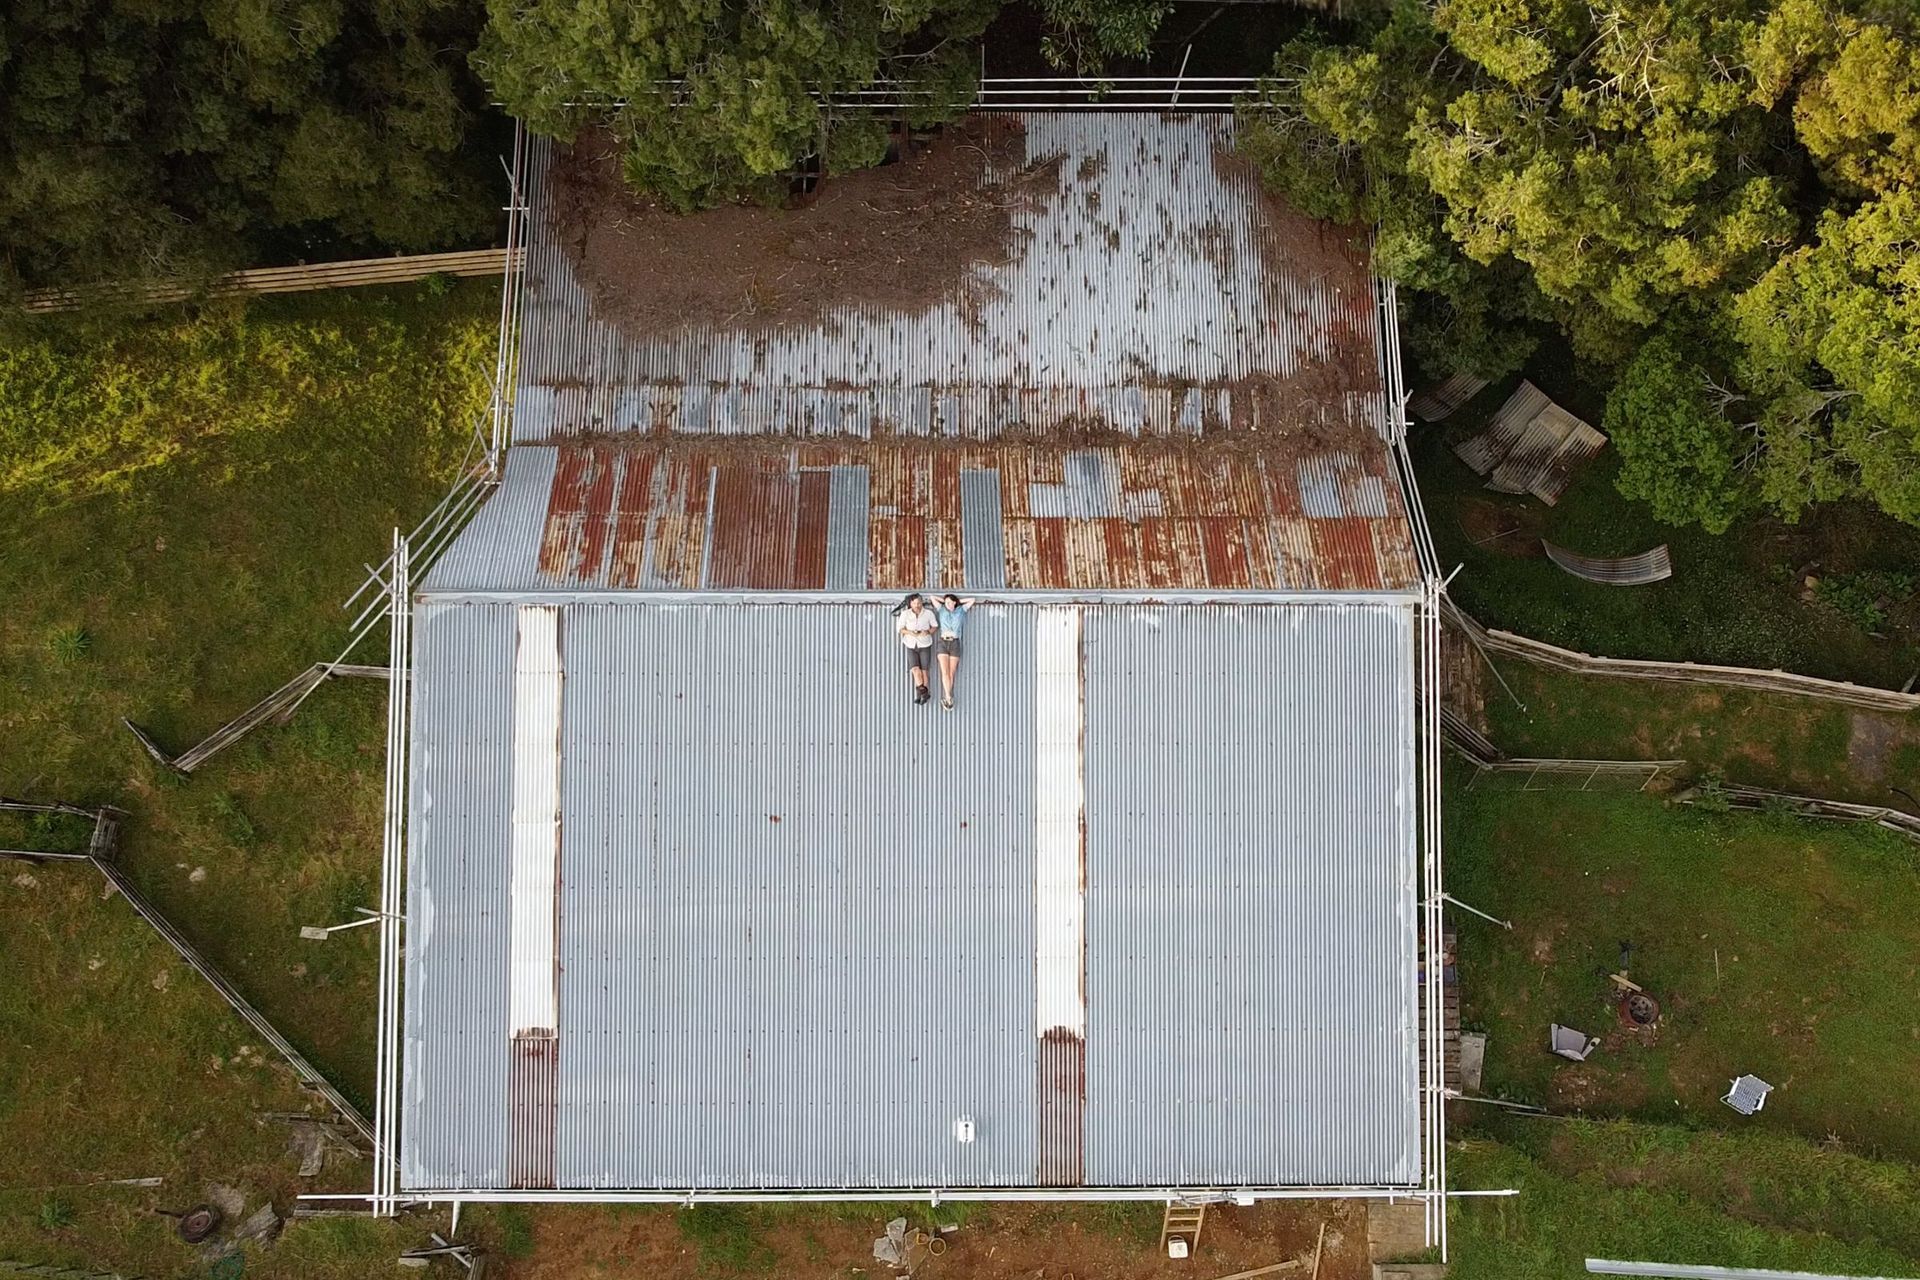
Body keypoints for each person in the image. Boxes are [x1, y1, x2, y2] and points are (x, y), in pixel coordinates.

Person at [932, 593, 976, 710]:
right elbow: (932, 597)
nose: (949, 604)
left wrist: (958, 601)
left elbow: (972, 599)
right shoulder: (941, 610)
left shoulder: (960, 611)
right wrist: (943, 600)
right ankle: (948, 697)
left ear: (955, 603)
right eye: (947, 603)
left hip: (955, 642)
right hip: (943, 642)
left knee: (951, 673)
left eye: (951, 602)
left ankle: (948, 699)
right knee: (944, 671)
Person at [894, 593, 938, 704]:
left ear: (921, 602)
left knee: (924, 671)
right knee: (915, 670)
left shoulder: (928, 613)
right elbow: (900, 629)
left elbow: (935, 626)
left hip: (925, 644)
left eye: (918, 603)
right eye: (914, 603)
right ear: (910, 604)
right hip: (910, 644)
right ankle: (924, 693)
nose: (917, 605)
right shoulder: (905, 614)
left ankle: (920, 696)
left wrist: (927, 632)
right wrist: (910, 632)